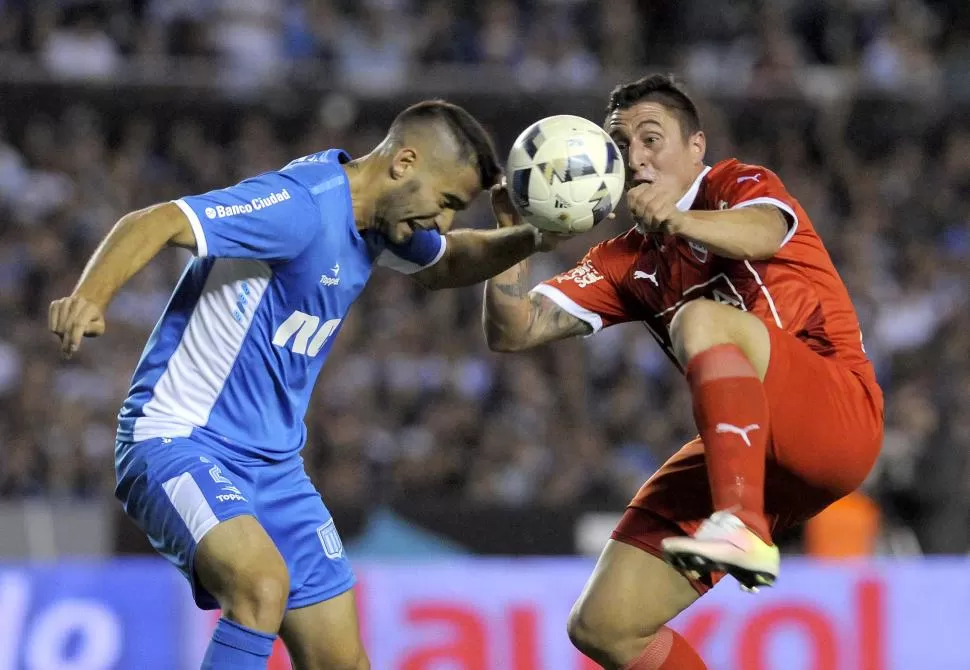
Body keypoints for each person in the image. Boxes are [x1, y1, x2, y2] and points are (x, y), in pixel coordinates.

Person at [49, 100, 559, 670]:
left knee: (342, 659)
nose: (442, 222)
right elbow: (157, 220)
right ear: (404, 162)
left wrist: (528, 240)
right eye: (445, 203)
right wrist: (90, 297)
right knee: (260, 587)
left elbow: (447, 263)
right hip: (177, 441)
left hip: (276, 470)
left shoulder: (377, 222)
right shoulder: (301, 205)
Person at [482, 74, 884, 670]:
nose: (636, 158)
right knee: (604, 626)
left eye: (652, 138)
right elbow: (512, 330)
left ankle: (740, 524)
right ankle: (739, 516)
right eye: (622, 147)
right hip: (745, 454)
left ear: (696, 147)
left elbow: (765, 232)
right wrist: (508, 234)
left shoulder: (735, 185)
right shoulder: (625, 262)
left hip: (837, 415)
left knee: (701, 319)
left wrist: (677, 219)